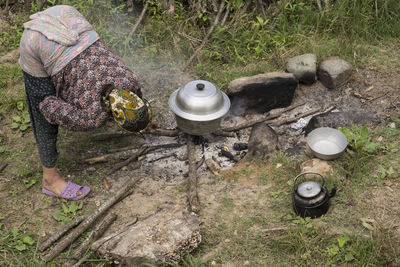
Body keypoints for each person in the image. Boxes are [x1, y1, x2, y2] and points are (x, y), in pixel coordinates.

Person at [19, 5, 153, 200]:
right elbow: (47, 106)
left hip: (66, 14)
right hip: (37, 43)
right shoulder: (90, 117)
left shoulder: (129, 80)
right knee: (43, 113)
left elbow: (134, 98)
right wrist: (50, 96)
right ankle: (50, 179)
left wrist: (143, 118)